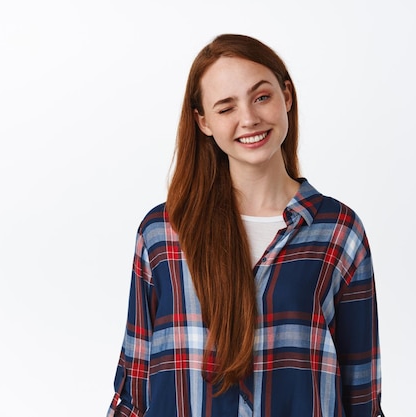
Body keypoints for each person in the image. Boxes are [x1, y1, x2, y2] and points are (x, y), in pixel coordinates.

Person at [107, 34, 384, 417]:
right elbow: (133, 387)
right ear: (202, 122)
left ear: (286, 96)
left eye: (262, 97)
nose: (249, 119)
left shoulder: (338, 232)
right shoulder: (164, 233)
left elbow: (362, 392)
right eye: (226, 108)